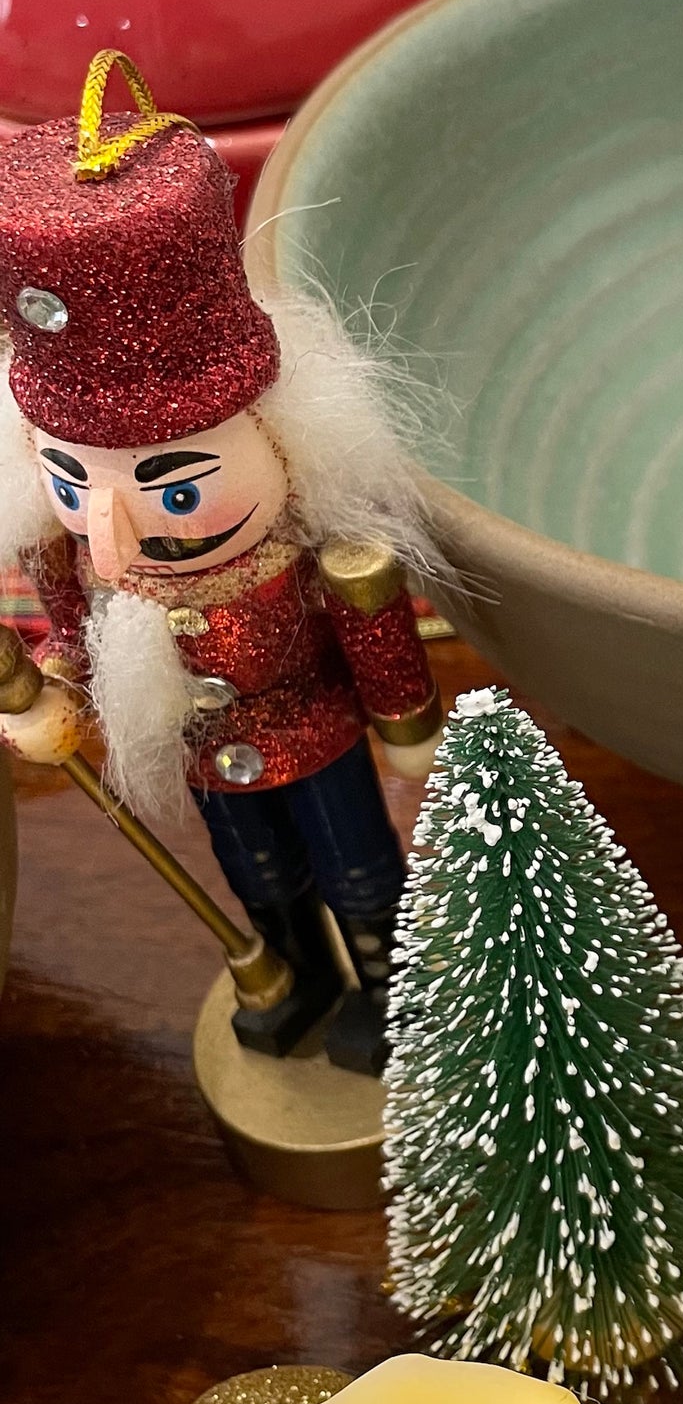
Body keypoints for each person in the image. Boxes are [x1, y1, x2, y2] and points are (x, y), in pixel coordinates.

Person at [0, 55, 443, 1075]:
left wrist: (407, 724)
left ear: (286, 441)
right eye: (70, 478)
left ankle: (386, 988)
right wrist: (53, 696)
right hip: (204, 756)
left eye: (176, 485)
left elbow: (375, 629)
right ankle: (293, 971)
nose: (115, 529)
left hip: (316, 737)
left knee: (361, 871)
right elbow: (67, 645)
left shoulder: (311, 552)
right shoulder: (80, 567)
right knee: (257, 873)